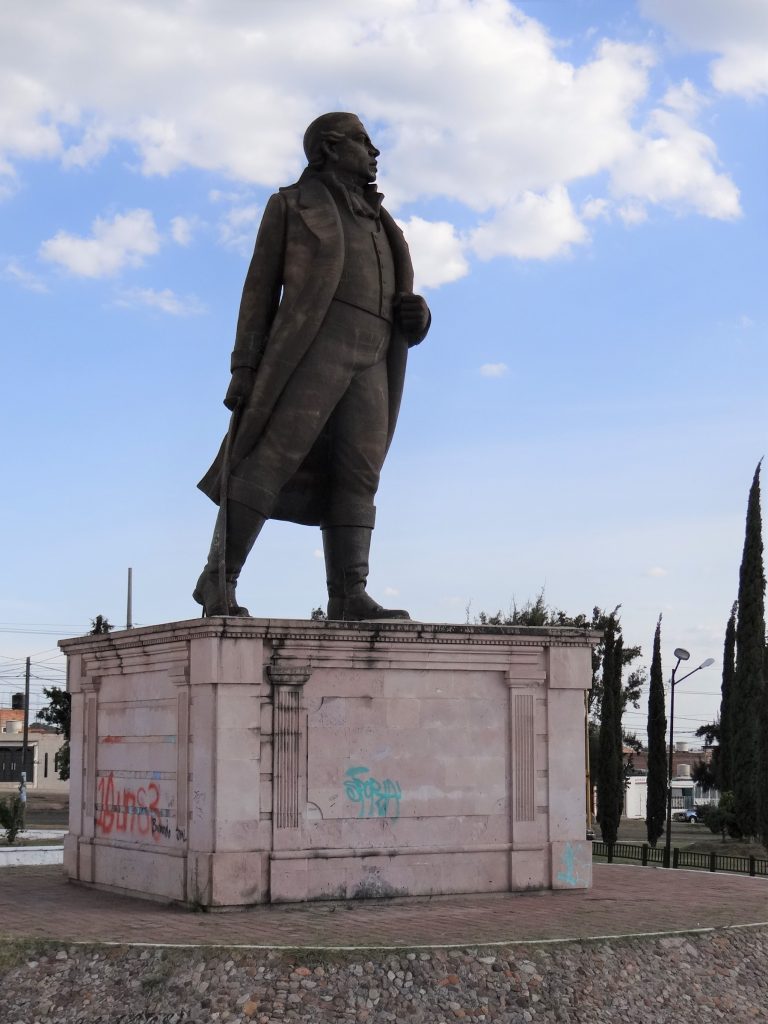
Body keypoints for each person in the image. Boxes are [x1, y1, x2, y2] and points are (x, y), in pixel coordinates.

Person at [195, 112, 431, 620]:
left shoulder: (383, 222)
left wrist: (419, 316)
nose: (375, 152)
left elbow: (402, 299)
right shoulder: (290, 206)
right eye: (364, 141)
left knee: (359, 471)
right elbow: (257, 291)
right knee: (269, 458)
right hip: (311, 347)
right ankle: (219, 580)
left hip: (374, 354)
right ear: (328, 147)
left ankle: (349, 593)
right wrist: (243, 367)